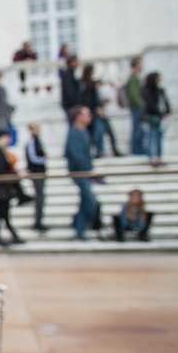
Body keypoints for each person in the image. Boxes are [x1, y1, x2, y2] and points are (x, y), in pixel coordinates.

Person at [65, 105, 99, 240]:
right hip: (79, 173)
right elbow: (75, 154)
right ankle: (79, 227)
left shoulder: (84, 132)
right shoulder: (74, 133)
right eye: (86, 114)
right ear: (78, 117)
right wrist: (87, 169)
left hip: (85, 172)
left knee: (86, 201)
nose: (89, 116)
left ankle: (79, 227)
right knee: (90, 201)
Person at [0, 130, 28, 245]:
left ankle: (7, 235)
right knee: (2, 212)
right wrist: (15, 174)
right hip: (1, 186)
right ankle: (1, 236)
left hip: (5, 186)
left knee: (3, 213)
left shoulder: (2, 151)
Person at [143, 71, 171, 167]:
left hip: (161, 117)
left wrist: (167, 112)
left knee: (159, 138)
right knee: (152, 137)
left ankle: (159, 157)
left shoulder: (160, 90)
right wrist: (160, 113)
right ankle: (151, 157)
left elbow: (166, 101)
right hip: (153, 116)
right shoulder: (147, 91)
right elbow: (149, 105)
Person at [77, 63, 106, 156]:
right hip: (86, 111)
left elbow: (95, 97)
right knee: (90, 131)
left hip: (93, 110)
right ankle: (92, 149)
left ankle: (99, 150)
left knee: (99, 130)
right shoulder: (82, 83)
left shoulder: (91, 83)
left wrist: (99, 107)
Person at [25, 122, 48, 233]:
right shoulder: (31, 142)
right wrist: (44, 158)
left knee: (41, 197)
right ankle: (37, 222)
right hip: (36, 173)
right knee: (39, 197)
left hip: (40, 172)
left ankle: (39, 221)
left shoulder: (38, 141)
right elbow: (33, 157)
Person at [124, 57, 146, 156]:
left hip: (138, 107)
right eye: (139, 65)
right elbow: (134, 95)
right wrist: (143, 105)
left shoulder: (136, 78)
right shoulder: (132, 79)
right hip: (137, 107)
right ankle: (137, 151)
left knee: (139, 129)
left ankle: (139, 150)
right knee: (137, 129)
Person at [59, 55, 81, 123]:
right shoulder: (68, 74)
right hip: (70, 104)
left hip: (71, 104)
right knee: (73, 122)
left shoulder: (72, 73)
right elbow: (70, 91)